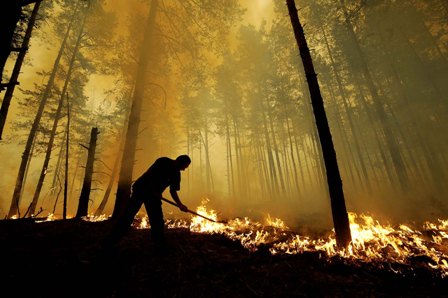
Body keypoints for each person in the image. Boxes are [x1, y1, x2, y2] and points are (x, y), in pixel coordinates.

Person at [103, 154, 191, 251]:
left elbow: (173, 190)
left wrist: (180, 204)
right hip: (140, 190)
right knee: (127, 217)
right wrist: (154, 190)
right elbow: (150, 175)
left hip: (153, 197)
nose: (184, 169)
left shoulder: (176, 174)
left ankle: (159, 245)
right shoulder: (163, 161)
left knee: (157, 221)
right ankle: (110, 242)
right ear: (179, 161)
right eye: (184, 166)